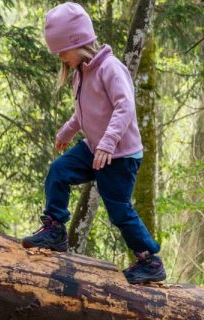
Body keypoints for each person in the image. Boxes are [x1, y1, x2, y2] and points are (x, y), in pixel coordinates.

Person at [22, 2, 166, 285]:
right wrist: (66, 131)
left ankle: (150, 260)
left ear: (79, 42)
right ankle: (54, 230)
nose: (61, 57)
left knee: (119, 210)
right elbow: (84, 112)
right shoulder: (81, 73)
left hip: (120, 155)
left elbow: (125, 107)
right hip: (94, 147)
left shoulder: (111, 69)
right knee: (59, 171)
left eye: (62, 50)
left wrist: (108, 144)